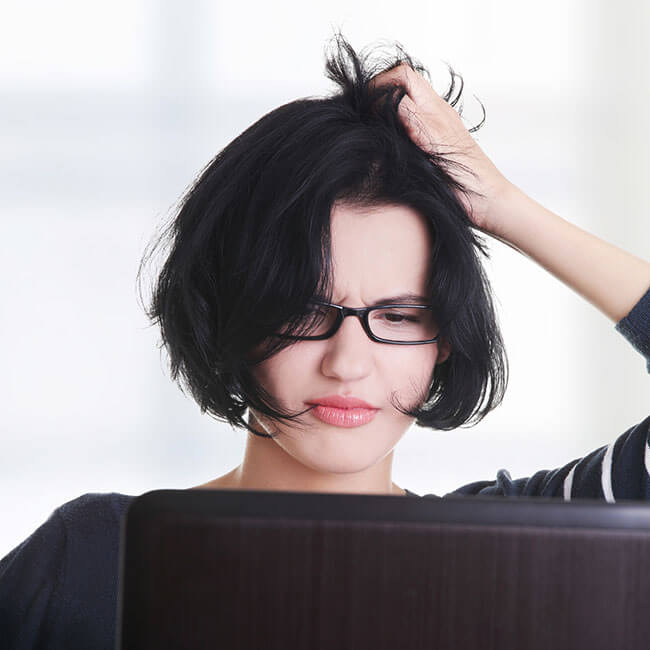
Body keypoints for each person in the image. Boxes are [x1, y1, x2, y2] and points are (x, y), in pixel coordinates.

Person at [1, 32, 649, 649]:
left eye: (398, 316)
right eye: (306, 311)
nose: (348, 363)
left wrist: (502, 205)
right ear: (232, 310)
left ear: (444, 339)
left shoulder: (524, 555)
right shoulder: (92, 560)